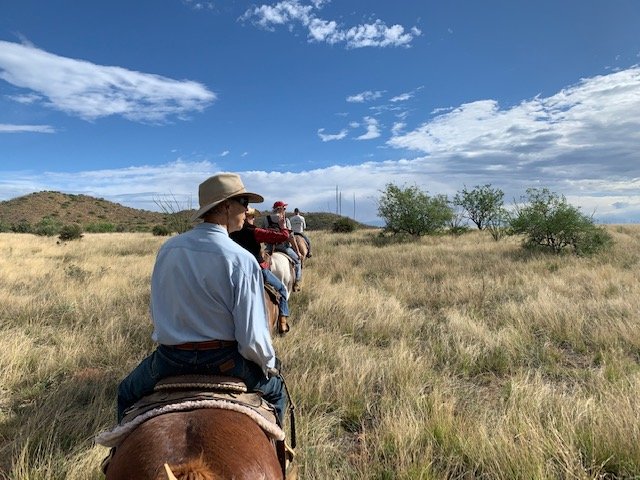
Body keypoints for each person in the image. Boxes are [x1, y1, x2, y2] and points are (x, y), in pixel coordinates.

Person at [116, 173, 287, 425]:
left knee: (125, 393)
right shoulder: (240, 259)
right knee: (276, 392)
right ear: (227, 206)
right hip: (226, 362)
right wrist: (269, 364)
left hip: (169, 360)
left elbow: (158, 310)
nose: (247, 211)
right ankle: (283, 457)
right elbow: (251, 337)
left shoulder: (168, 249)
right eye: (244, 203)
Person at [230, 208, 292, 334]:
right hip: (257, 270)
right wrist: (282, 226)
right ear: (248, 217)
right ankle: (283, 322)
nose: (254, 219)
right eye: (253, 217)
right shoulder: (255, 232)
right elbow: (283, 236)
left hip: (235, 271)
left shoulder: (230, 232)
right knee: (282, 289)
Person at [263, 200, 302, 291]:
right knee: (297, 261)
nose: (285, 210)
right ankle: (296, 283)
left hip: (269, 248)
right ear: (280, 209)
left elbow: (263, 232)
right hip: (283, 247)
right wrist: (298, 251)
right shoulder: (285, 220)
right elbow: (290, 237)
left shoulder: (266, 219)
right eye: (284, 208)